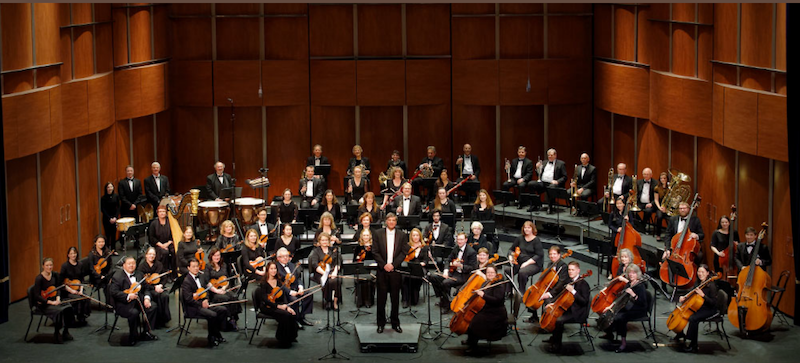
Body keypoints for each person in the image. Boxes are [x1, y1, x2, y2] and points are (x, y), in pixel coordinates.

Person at [599, 264, 648, 353]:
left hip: (638, 309)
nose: (631, 275)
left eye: (633, 273)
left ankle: (623, 343)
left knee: (621, 318)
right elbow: (621, 297)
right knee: (610, 313)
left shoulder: (640, 286)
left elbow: (643, 302)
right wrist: (611, 306)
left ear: (637, 274)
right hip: (628, 307)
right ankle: (609, 334)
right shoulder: (629, 284)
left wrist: (633, 294)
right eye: (629, 273)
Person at [543, 261, 591, 353]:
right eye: (569, 269)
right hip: (568, 308)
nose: (570, 272)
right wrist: (553, 303)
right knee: (554, 314)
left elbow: (584, 301)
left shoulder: (583, 284)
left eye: (573, 270)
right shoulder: (568, 281)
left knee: (559, 320)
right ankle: (554, 338)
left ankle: (557, 345)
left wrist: (573, 291)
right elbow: (561, 296)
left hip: (578, 312)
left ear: (578, 271)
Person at [109, 256, 158, 346]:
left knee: (153, 307)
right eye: (129, 264)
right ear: (124, 265)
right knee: (134, 313)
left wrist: (147, 298)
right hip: (123, 303)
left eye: (133, 263)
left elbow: (146, 288)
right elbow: (114, 292)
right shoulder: (117, 276)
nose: (131, 266)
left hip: (138, 300)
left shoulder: (139, 274)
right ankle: (133, 335)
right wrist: (128, 296)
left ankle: (146, 332)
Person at [373, 213, 408, 333]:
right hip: (382, 271)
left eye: (394, 220)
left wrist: (393, 265)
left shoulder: (402, 235)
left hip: (395, 271)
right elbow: (375, 251)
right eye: (389, 220)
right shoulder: (378, 234)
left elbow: (404, 252)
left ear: (396, 222)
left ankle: (395, 323)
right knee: (381, 299)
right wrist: (384, 265)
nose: (392, 222)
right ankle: (380, 323)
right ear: (386, 221)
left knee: (395, 298)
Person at [181, 258, 228, 348]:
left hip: (203, 304)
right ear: (188, 268)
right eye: (193, 267)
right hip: (193, 308)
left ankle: (216, 334)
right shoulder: (186, 281)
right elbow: (188, 299)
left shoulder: (201, 277)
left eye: (197, 266)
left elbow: (206, 291)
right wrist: (200, 304)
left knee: (222, 310)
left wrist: (206, 299)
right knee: (212, 315)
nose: (196, 268)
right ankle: (212, 337)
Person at [463, 265, 507, 355]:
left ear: (496, 273)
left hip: (496, 313)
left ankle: (474, 347)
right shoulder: (486, 283)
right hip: (487, 309)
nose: (490, 274)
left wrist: (483, 295)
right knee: (472, 317)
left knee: (475, 321)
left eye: (492, 273)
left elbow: (497, 300)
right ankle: (471, 340)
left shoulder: (498, 285)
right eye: (488, 273)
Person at [674, 264, 718, 353]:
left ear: (707, 273)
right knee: (683, 313)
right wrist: (684, 297)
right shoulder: (699, 282)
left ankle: (693, 345)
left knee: (693, 318)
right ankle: (680, 334)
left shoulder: (711, 285)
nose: (700, 274)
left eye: (702, 272)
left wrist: (703, 296)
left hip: (710, 309)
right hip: (700, 306)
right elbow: (692, 293)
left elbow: (713, 303)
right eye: (699, 272)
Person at [256, 261, 299, 347]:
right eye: (271, 269)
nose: (273, 270)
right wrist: (279, 306)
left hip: (278, 304)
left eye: (275, 268)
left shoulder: (278, 281)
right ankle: (281, 338)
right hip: (267, 306)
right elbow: (265, 300)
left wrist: (287, 307)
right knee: (285, 315)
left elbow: (283, 297)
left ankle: (290, 337)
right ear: (268, 270)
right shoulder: (263, 283)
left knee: (292, 313)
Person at [506, 221, 543, 318]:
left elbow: (539, 255)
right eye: (525, 228)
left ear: (532, 229)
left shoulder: (536, 240)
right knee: (507, 270)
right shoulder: (519, 238)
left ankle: (522, 292)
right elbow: (511, 249)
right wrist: (511, 256)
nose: (527, 229)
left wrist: (527, 263)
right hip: (519, 261)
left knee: (522, 272)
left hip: (533, 263)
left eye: (529, 228)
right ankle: (509, 290)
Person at [34, 257, 75, 343]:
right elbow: (37, 296)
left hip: (55, 300)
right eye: (47, 265)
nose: (49, 267)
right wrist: (51, 302)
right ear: (43, 266)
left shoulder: (55, 275)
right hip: (44, 304)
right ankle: (56, 333)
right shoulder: (39, 279)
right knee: (58, 311)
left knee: (68, 307)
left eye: (51, 265)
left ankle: (65, 331)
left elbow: (58, 288)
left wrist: (58, 298)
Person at [437, 233, 478, 313]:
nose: (459, 241)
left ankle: (447, 305)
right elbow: (448, 259)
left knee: (445, 283)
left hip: (463, 275)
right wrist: (446, 271)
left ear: (466, 240)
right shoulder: (456, 248)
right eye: (458, 239)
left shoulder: (471, 252)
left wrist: (461, 266)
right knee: (435, 277)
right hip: (454, 272)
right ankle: (444, 299)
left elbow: (473, 268)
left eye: (461, 239)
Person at [204, 247, 242, 331]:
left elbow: (227, 279)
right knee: (226, 298)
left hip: (223, 289)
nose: (217, 257)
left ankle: (232, 319)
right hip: (213, 291)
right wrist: (217, 290)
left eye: (218, 255)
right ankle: (228, 320)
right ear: (211, 256)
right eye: (215, 256)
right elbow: (207, 282)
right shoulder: (208, 266)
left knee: (234, 297)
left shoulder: (223, 265)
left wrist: (224, 288)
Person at [275, 247, 314, 328]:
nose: (286, 258)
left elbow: (298, 278)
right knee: (294, 299)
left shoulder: (292, 265)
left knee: (308, 295)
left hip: (295, 288)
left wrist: (300, 287)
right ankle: (295, 319)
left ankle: (302, 317)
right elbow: (278, 284)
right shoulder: (275, 268)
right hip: (285, 292)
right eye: (283, 256)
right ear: (278, 258)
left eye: (287, 256)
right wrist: (290, 292)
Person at [530, 246, 570, 323]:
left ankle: (546, 322)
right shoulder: (550, 264)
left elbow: (561, 283)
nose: (552, 256)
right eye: (550, 254)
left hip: (559, 291)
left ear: (559, 255)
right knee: (532, 294)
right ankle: (534, 317)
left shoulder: (563, 267)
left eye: (554, 254)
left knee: (546, 299)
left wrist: (549, 294)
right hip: (549, 287)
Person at [137, 247, 172, 328]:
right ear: (146, 255)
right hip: (147, 289)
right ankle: (157, 320)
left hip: (159, 286)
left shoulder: (159, 264)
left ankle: (164, 318)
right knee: (157, 295)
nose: (151, 256)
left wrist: (161, 285)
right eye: (150, 254)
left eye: (153, 254)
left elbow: (164, 277)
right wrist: (154, 288)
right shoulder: (141, 267)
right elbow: (142, 283)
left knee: (165, 295)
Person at [308, 233, 342, 310]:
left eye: (326, 240)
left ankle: (335, 302)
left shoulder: (333, 250)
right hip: (320, 273)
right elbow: (314, 264)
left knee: (337, 281)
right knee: (328, 281)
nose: (324, 242)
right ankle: (328, 301)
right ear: (319, 241)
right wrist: (326, 274)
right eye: (323, 240)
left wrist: (335, 272)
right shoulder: (316, 251)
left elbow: (338, 262)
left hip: (332, 271)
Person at [60, 247, 90, 326]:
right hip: (67, 290)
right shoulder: (65, 266)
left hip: (78, 287)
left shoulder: (80, 264)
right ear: (68, 255)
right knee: (77, 298)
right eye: (71, 254)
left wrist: (81, 290)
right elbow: (62, 282)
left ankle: (81, 316)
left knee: (85, 297)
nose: (73, 255)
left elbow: (82, 279)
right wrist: (71, 291)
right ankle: (73, 318)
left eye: (75, 253)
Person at [401, 228, 429, 308]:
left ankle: (413, 296)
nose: (415, 237)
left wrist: (422, 263)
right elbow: (404, 258)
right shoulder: (407, 246)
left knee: (414, 302)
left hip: (420, 268)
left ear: (420, 236)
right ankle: (405, 299)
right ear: (411, 237)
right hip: (409, 268)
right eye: (414, 235)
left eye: (417, 235)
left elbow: (426, 261)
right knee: (404, 277)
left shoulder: (424, 247)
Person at [353, 228, 376, 308]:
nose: (366, 237)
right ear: (361, 237)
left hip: (371, 268)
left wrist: (369, 252)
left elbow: (375, 258)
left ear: (370, 236)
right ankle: (360, 301)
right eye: (364, 235)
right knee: (361, 278)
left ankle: (368, 301)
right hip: (360, 267)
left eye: (367, 235)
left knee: (368, 279)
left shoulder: (373, 247)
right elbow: (354, 260)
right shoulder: (358, 247)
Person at [147, 205, 174, 273]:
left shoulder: (170, 222)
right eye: (160, 212)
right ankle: (164, 272)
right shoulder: (153, 224)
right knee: (164, 252)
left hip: (169, 243)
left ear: (166, 213)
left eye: (163, 211)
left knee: (174, 251)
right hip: (158, 244)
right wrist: (162, 245)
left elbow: (173, 235)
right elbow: (152, 237)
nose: (162, 213)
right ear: (157, 213)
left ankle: (173, 272)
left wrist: (167, 244)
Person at [100, 182, 121, 249]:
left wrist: (115, 217)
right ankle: (106, 250)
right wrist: (109, 218)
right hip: (107, 219)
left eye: (111, 187)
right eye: (108, 187)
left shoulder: (116, 196)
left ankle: (113, 249)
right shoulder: (103, 198)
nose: (110, 188)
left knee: (114, 234)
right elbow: (103, 209)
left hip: (114, 218)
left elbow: (118, 207)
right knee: (107, 235)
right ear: (106, 189)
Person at [653, 171, 670, 241]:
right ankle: (658, 234)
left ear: (667, 179)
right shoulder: (657, 188)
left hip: (668, 207)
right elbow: (656, 200)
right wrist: (660, 208)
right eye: (661, 178)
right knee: (659, 217)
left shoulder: (670, 188)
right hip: (660, 207)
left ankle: (670, 235)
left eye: (664, 178)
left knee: (672, 219)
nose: (663, 180)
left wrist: (667, 208)